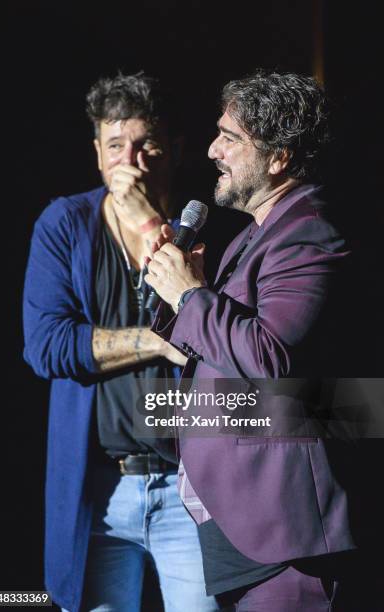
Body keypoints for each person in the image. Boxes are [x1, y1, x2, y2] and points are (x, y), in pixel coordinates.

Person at [145, 71, 382, 611]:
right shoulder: (257, 232)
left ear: (279, 158)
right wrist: (180, 287)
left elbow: (272, 359)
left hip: (283, 532)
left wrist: (192, 298)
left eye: (231, 138)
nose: (212, 150)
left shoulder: (309, 232)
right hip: (240, 522)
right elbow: (220, 347)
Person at [23, 72, 219, 612]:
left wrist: (151, 222)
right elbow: (47, 347)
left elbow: (223, 348)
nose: (129, 161)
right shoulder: (64, 224)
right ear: (96, 153)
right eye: (115, 146)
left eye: (146, 145)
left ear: (175, 151)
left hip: (192, 490)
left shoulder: (209, 227)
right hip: (102, 494)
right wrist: (158, 341)